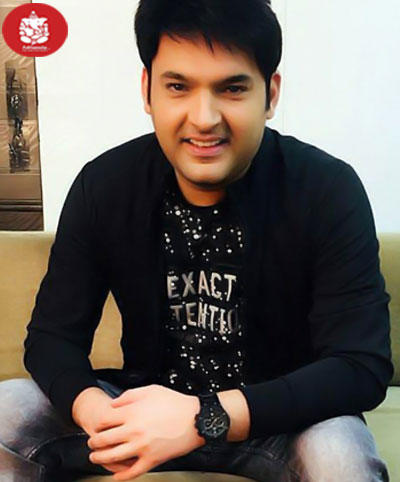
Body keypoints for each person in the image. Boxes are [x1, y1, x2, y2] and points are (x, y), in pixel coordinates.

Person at [0, 0, 393, 481]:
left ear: (270, 94)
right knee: (7, 408)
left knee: (340, 455)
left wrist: (203, 418)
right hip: (142, 411)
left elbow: (360, 364)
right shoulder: (105, 185)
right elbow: (52, 337)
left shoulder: (326, 189)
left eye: (232, 88)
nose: (204, 118)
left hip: (277, 419)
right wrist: (94, 410)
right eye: (178, 87)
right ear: (147, 90)